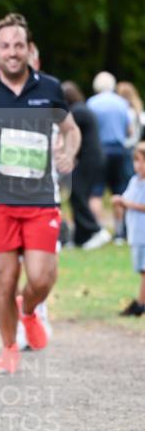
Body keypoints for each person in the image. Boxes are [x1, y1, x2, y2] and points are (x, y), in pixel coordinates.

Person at [0, 12, 80, 374]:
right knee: (5, 278)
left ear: (28, 49)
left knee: (41, 277)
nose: (12, 52)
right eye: (5, 46)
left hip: (41, 199)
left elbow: (71, 131)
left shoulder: (50, 89)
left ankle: (28, 309)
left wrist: (69, 151)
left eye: (19, 46)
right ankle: (9, 347)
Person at [61, 81, 111, 249]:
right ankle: (80, 238)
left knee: (78, 194)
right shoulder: (82, 109)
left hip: (89, 158)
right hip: (92, 158)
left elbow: (67, 132)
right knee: (79, 194)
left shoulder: (77, 112)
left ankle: (95, 230)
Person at [87, 72, 132, 241]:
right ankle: (120, 232)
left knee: (96, 192)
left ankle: (99, 230)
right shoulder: (122, 103)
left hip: (100, 150)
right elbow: (129, 130)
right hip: (120, 151)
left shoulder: (92, 103)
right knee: (119, 190)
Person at [112, 141, 145, 317]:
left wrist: (127, 203)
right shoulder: (134, 181)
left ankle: (140, 304)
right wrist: (119, 202)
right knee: (141, 269)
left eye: (142, 161)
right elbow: (126, 200)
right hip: (135, 233)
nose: (138, 165)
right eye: (136, 161)